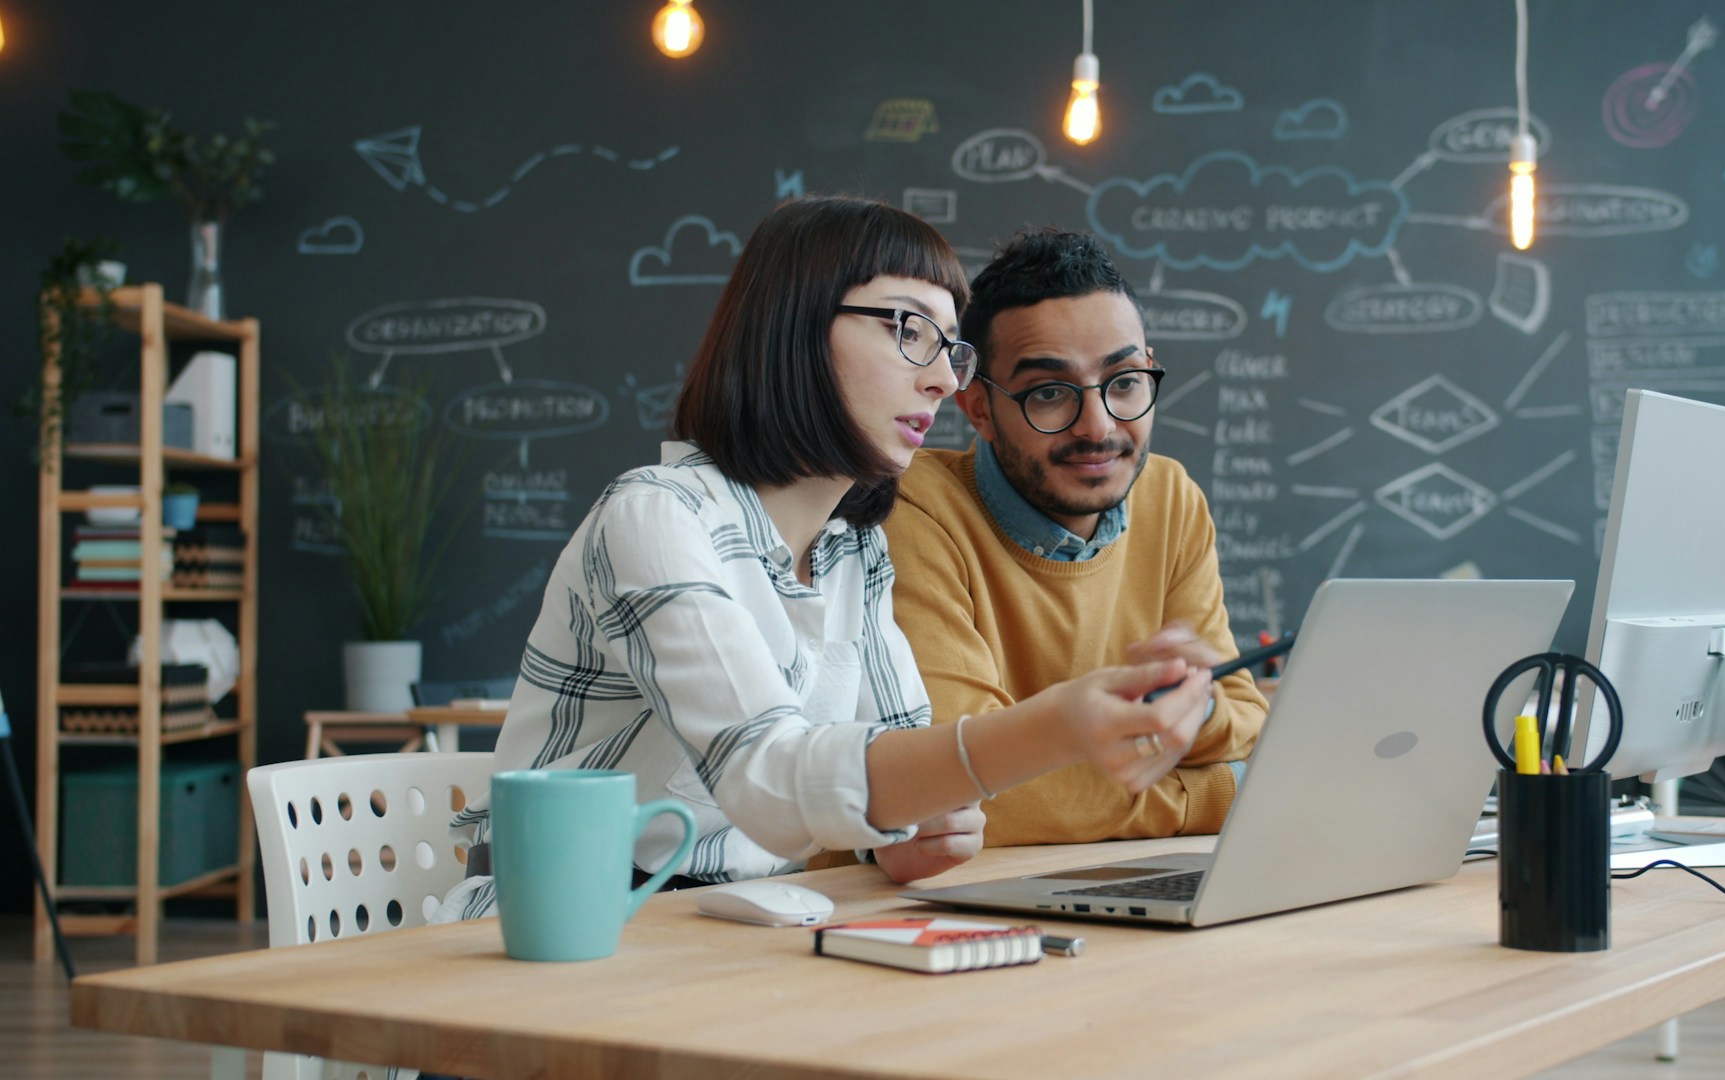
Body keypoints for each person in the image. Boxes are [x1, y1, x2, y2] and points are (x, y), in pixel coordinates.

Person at [436, 198, 1213, 920]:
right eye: (909, 330)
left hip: (736, 936)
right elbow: (770, 783)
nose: (943, 378)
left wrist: (918, 832)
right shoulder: (656, 518)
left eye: (950, 348)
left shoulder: (853, 552)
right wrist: (1059, 724)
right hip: (561, 941)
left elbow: (904, 781)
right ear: (796, 328)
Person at [886, 227, 1268, 847]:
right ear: (977, 407)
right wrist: (1224, 794)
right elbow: (953, 792)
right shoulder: (914, 508)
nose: (1098, 428)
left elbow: (1245, 721)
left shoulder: (1169, 497)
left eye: (1124, 384)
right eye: (1050, 393)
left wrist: (1193, 709)